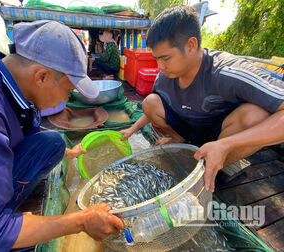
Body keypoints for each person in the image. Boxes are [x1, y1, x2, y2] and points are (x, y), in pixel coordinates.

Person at [0, 20, 124, 251]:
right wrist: (81, 221)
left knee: (53, 143)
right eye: (69, 90)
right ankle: (1, 221)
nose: (66, 99)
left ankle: (7, 218)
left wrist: (69, 152)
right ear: (41, 77)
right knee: (0, 238)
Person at [120, 4, 284, 193]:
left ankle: (208, 163)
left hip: (220, 134)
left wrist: (225, 144)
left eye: (165, 58)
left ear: (191, 45)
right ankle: (181, 142)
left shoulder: (229, 72)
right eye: (156, 58)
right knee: (150, 102)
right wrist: (133, 128)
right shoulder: (164, 75)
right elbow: (150, 110)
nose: (160, 66)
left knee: (256, 115)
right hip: (188, 129)